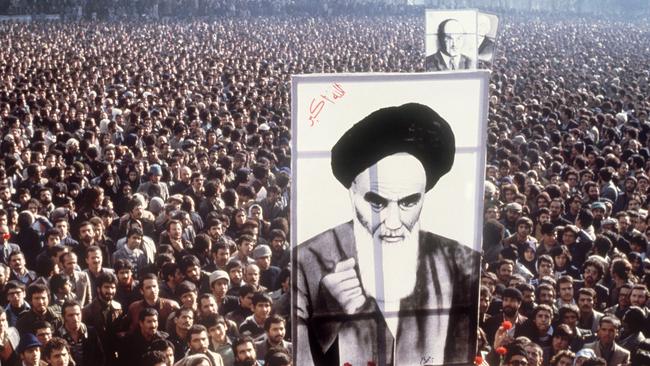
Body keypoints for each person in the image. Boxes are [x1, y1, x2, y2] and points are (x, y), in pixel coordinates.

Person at [295, 103, 480, 365]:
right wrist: (325, 316)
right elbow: (286, 352)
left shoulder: (461, 263)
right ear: (353, 194)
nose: (392, 222)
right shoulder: (306, 262)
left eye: (408, 202)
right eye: (376, 202)